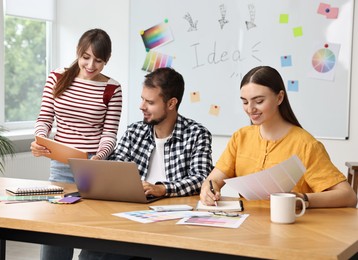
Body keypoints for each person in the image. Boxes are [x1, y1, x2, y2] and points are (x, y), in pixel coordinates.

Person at [78, 67, 213, 259]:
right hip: (133, 217)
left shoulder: (197, 134)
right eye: (142, 99)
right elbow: (116, 167)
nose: (142, 106)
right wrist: (98, 167)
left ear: (171, 103)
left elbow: (201, 179)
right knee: (92, 253)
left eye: (150, 102)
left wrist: (162, 189)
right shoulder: (135, 131)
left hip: (176, 221)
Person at [200, 65, 357, 209]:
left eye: (259, 101)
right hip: (247, 227)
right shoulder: (240, 137)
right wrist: (208, 189)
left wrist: (301, 199)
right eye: (245, 102)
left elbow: (348, 196)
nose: (250, 109)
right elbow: (213, 180)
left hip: (291, 229)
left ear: (279, 98)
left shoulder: (305, 145)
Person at [30, 28, 122, 260]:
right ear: (78, 53)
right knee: (56, 228)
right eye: (86, 57)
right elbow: (44, 119)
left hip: (93, 165)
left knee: (90, 225)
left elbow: (109, 134)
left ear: (107, 60)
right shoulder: (57, 78)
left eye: (98, 60)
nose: (91, 65)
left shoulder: (112, 89)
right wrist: (40, 140)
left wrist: (100, 157)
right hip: (61, 164)